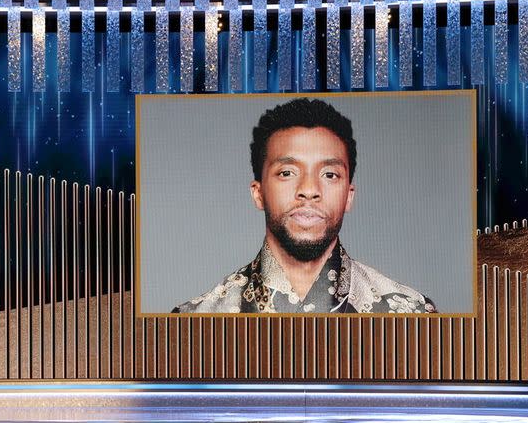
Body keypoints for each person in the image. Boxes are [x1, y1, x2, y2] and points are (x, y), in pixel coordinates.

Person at [174, 98, 437, 314]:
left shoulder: (411, 314)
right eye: (287, 173)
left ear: (349, 196)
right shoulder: (193, 321)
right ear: (258, 193)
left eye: (330, 175)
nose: (309, 190)